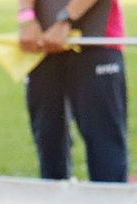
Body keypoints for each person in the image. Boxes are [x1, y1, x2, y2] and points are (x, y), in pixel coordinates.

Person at [20, 0, 129, 181]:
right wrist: (26, 17)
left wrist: (66, 20)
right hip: (44, 43)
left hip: (96, 42)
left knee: (104, 147)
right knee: (49, 143)